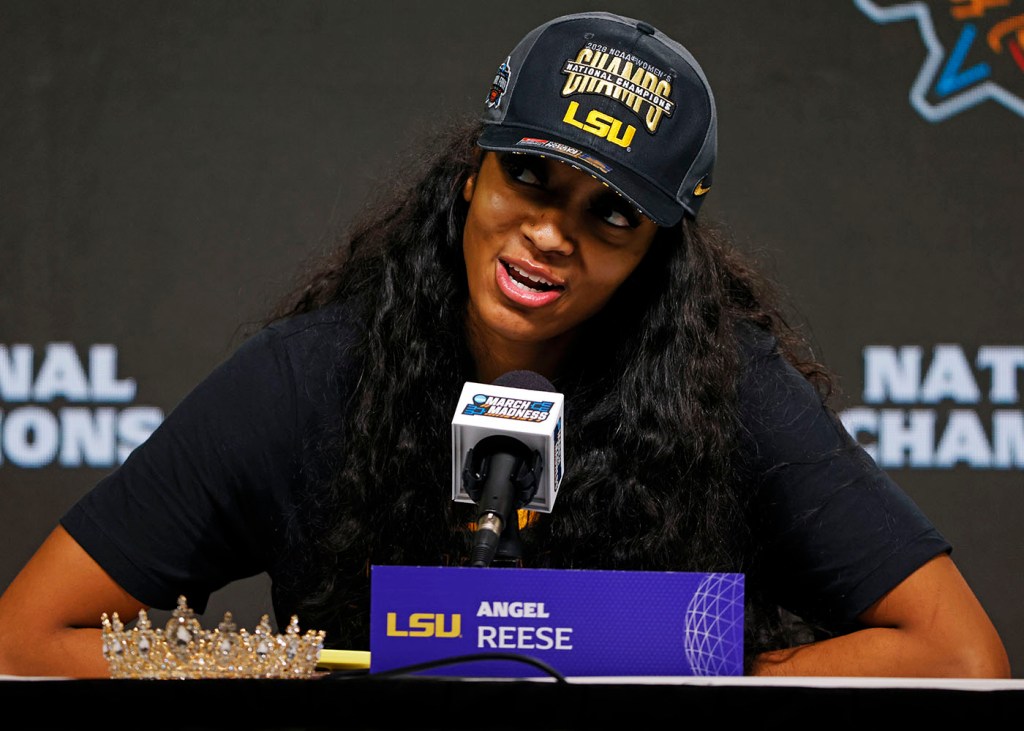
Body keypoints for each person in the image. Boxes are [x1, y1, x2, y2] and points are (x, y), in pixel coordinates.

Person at [0, 11, 1010, 679]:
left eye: (610, 213)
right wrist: (293, 663)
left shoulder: (723, 388)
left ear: (655, 251)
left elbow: (957, 650)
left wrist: (681, 668)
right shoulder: (309, 378)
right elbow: (28, 633)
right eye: (531, 177)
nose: (551, 234)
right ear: (472, 175)